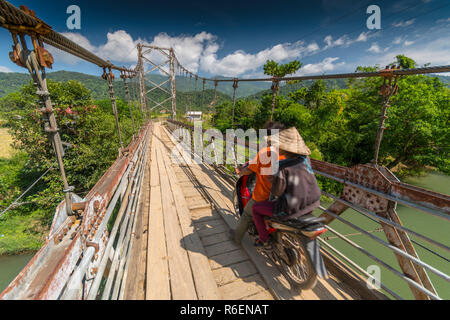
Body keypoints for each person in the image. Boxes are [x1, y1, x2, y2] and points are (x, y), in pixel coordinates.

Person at [251, 127, 321, 250]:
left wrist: (274, 180)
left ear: (284, 148)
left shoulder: (282, 166)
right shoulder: (305, 159)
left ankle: (264, 241)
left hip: (291, 208)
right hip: (313, 202)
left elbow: (276, 191)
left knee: (256, 209)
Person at [230, 121, 286, 245]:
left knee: (246, 215)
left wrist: (240, 171)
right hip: (284, 196)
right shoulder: (287, 153)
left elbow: (248, 170)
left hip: (264, 197)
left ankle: (236, 237)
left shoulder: (265, 153)